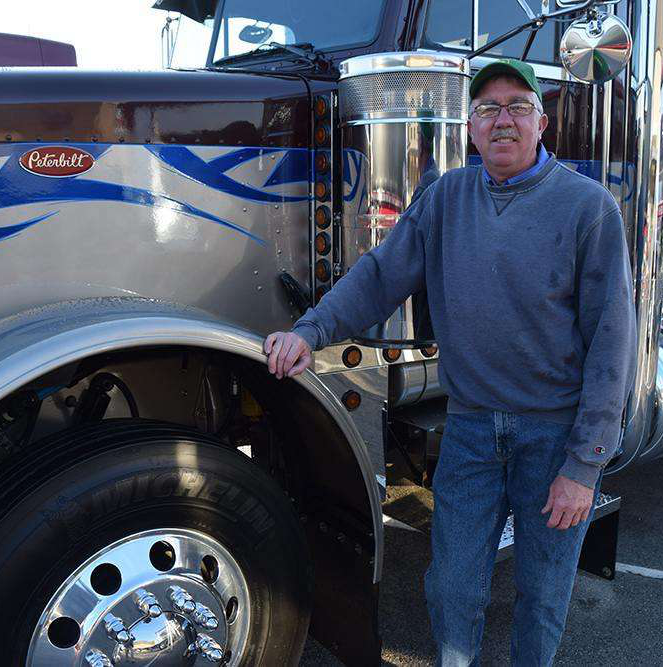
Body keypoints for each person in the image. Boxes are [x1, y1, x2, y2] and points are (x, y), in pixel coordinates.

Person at [264, 58, 636, 666]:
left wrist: (585, 465)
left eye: (518, 106)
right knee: (452, 585)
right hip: (471, 430)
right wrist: (313, 329)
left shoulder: (587, 208)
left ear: (542, 123)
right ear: (470, 127)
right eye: (488, 109)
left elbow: (612, 341)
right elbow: (380, 275)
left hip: (554, 436)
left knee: (542, 594)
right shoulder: (445, 197)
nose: (503, 120)